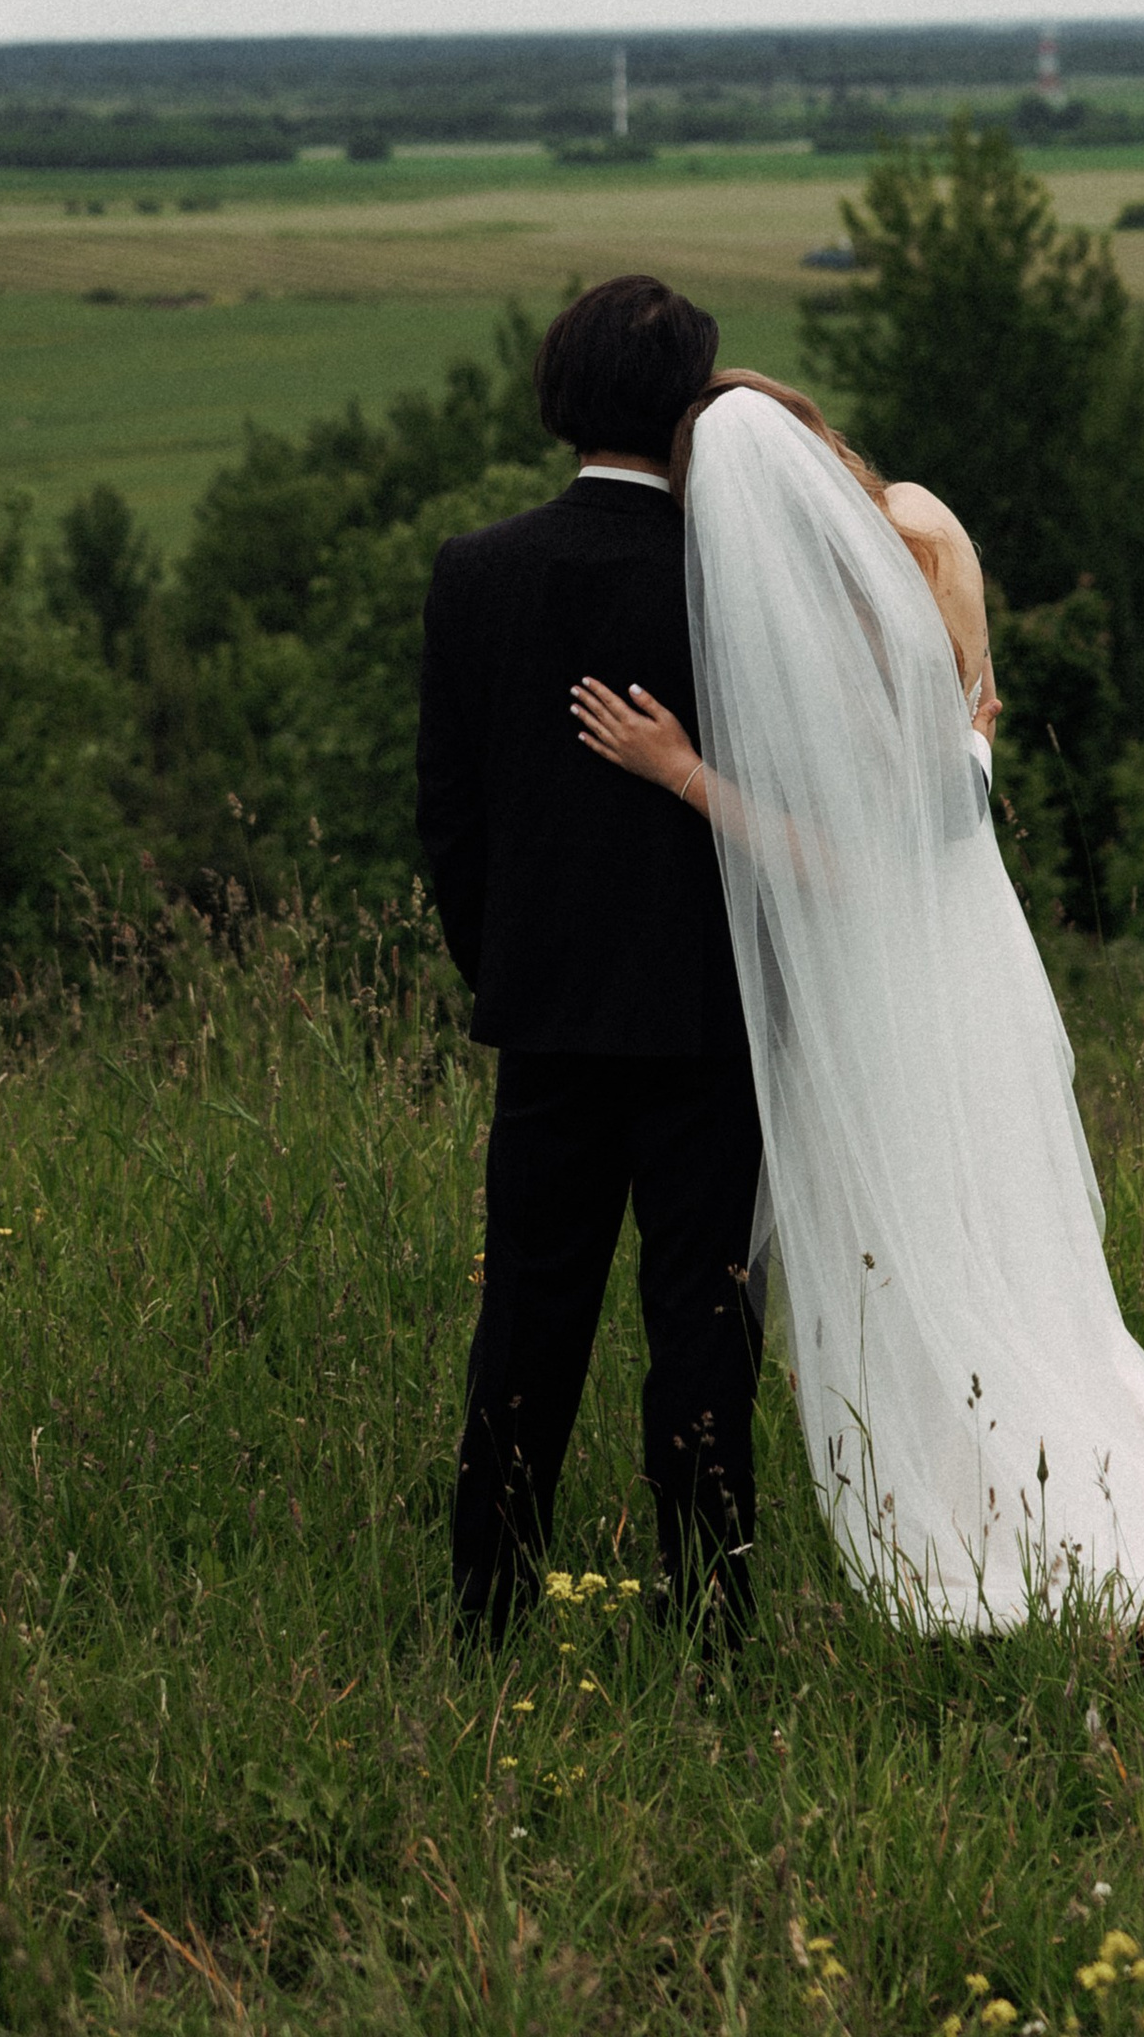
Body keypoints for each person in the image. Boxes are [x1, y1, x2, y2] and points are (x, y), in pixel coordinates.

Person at [571, 375, 1144, 1663]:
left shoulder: (795, 617)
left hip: (868, 979)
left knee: (896, 1261)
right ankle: (1023, 1486)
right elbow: (957, 771)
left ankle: (983, 1522)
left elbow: (847, 854)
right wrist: (973, 758)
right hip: (954, 962)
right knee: (969, 1252)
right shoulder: (921, 532)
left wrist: (684, 772)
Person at [415, 274, 761, 1643]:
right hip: (706, 1020)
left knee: (530, 1319)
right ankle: (713, 1608)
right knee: (702, 1323)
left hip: (547, 1013)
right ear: (692, 406)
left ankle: (488, 1601)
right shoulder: (731, 585)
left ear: (562, 394)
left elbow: (451, 813)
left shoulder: (478, 570)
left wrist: (505, 963)